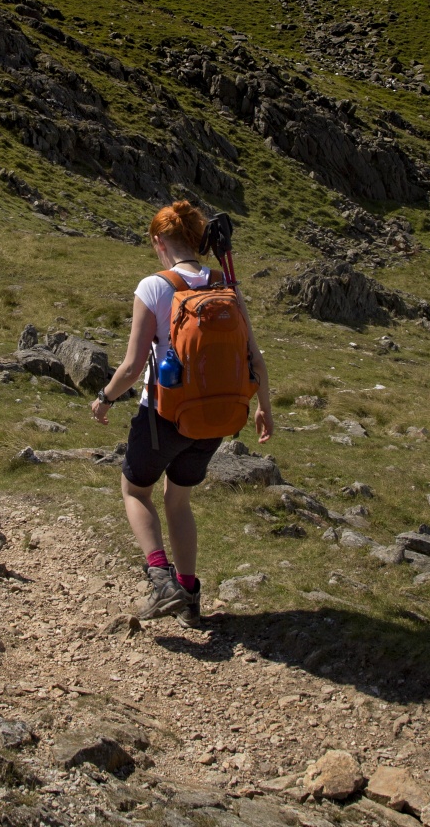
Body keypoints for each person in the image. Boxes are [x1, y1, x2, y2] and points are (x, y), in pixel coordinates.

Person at [91, 200, 273, 621]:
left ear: (159, 241)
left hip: (163, 416)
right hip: (216, 419)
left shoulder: (154, 286)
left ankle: (160, 581)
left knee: (135, 491)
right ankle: (189, 594)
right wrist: (263, 408)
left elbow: (133, 366)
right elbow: (255, 357)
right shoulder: (224, 284)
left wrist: (104, 397)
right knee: (179, 500)